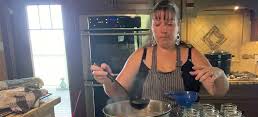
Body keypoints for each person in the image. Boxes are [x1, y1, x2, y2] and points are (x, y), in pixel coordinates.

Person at [91, 0, 229, 103]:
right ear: (152, 28)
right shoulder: (140, 55)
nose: (164, 30)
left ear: (178, 26)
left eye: (169, 24)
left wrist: (220, 75)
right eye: (157, 24)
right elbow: (118, 94)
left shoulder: (192, 55)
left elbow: (218, 91)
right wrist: (107, 81)